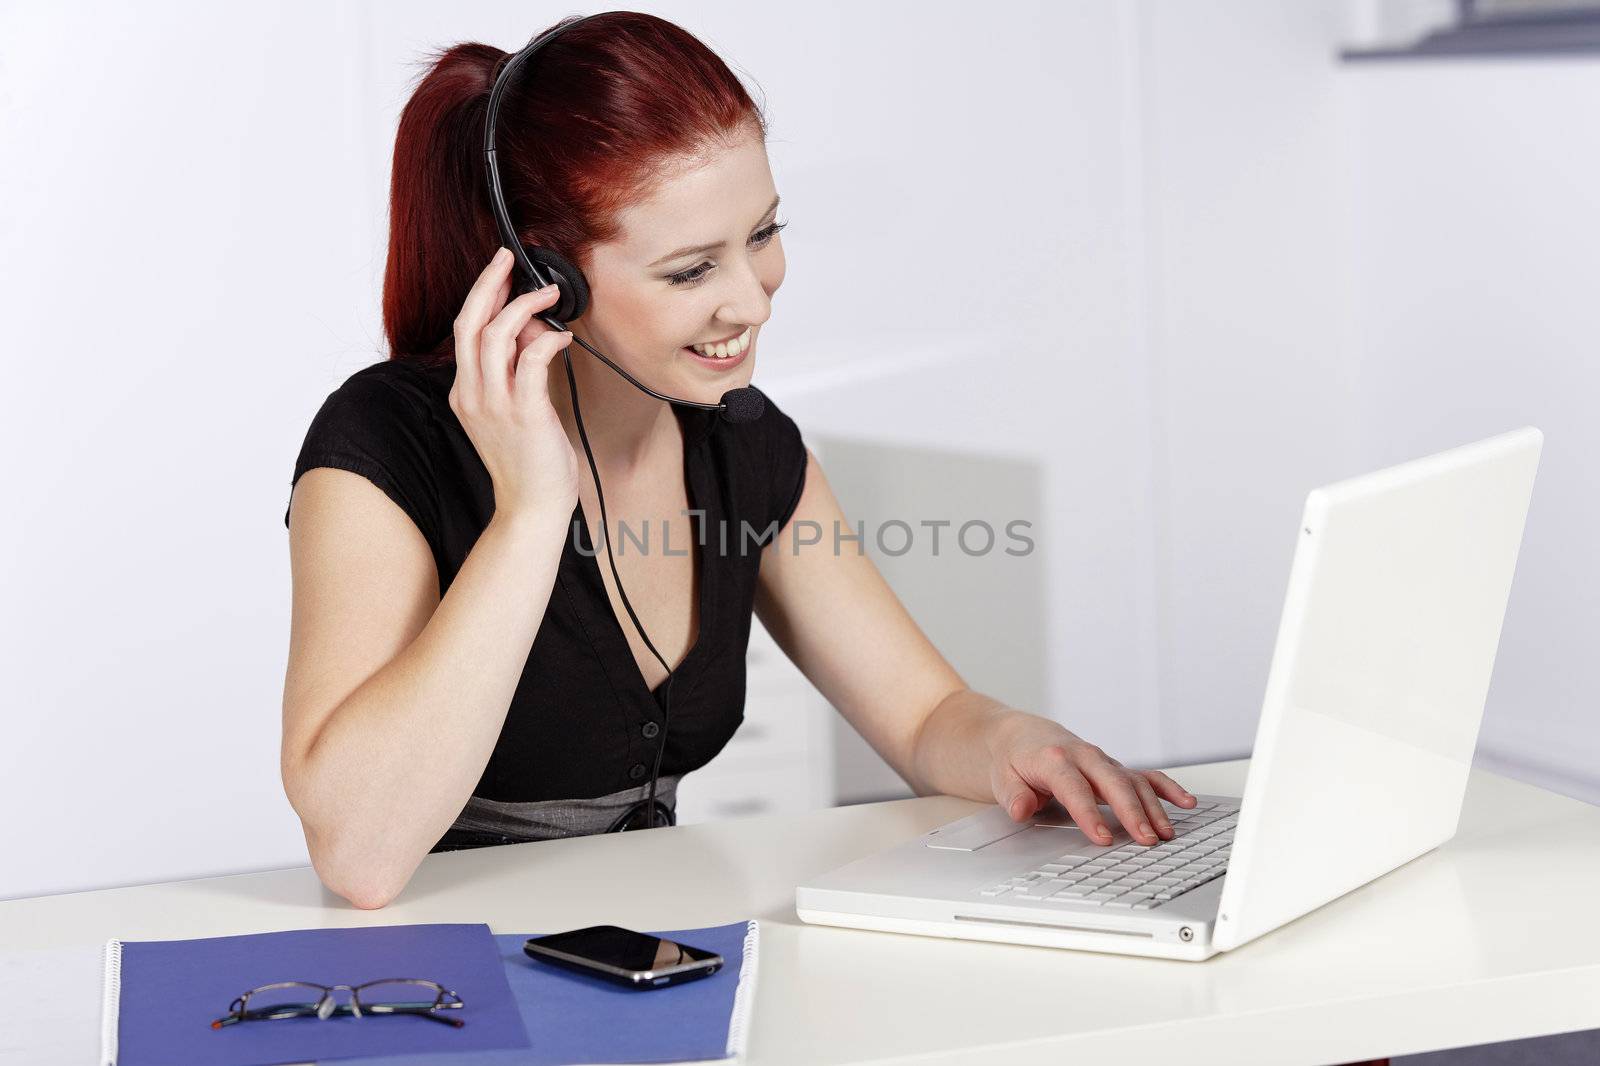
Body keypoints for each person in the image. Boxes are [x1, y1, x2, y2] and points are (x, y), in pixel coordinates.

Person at [280, 11, 1197, 911]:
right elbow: (361, 855)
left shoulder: (744, 444)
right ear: (541, 280)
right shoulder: (382, 446)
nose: (751, 302)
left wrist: (1016, 740)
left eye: (761, 234)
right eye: (690, 270)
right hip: (445, 990)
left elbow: (922, 716)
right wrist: (529, 511)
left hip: (647, 963)